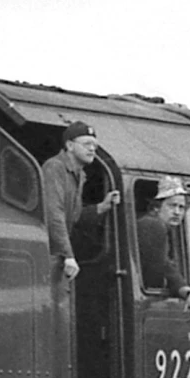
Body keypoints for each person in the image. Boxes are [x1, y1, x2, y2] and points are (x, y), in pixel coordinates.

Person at [41, 121, 117, 282]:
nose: (92, 149)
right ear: (69, 145)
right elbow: (54, 213)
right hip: (49, 254)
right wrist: (67, 254)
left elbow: (74, 217)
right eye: (87, 144)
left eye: (95, 145)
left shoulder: (79, 175)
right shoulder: (55, 167)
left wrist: (101, 207)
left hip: (58, 255)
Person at [136, 176, 190, 319]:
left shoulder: (157, 226)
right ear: (156, 206)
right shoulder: (153, 225)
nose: (177, 212)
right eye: (172, 205)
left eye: (181, 207)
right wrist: (184, 290)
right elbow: (160, 268)